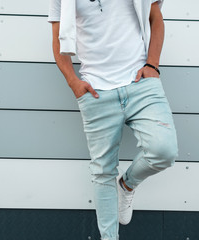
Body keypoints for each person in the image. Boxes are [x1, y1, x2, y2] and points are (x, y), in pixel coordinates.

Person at [48, 0, 178, 239]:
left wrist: (153, 65)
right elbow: (57, 38)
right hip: (96, 92)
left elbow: (155, 17)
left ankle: (127, 184)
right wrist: (73, 82)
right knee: (102, 171)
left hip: (141, 83)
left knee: (164, 151)